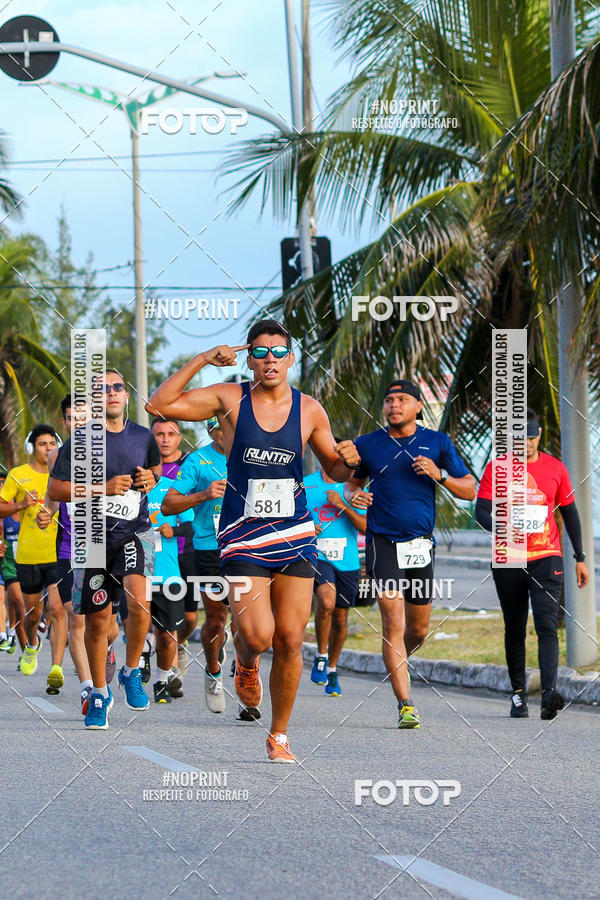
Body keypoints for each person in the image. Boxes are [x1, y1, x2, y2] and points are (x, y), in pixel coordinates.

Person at [147, 320, 360, 763]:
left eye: (279, 352)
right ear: (249, 358)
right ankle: (244, 662)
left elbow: (333, 470)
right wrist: (205, 358)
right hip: (243, 538)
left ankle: (279, 735)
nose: (270, 360)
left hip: (296, 535)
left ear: (291, 358)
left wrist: (352, 462)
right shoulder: (229, 398)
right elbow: (157, 403)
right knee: (258, 635)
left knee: (288, 637)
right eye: (260, 352)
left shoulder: (309, 409)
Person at [344, 380, 476, 728]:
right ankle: (406, 704)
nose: (393, 405)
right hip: (382, 541)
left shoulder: (437, 442)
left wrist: (440, 475)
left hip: (420, 545)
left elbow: (470, 489)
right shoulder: (369, 444)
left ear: (418, 406)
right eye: (388, 399)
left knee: (417, 630)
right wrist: (354, 496)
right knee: (393, 622)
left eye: (402, 399)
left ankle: (399, 661)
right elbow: (352, 483)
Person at [48, 369, 161, 729]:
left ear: (126, 395)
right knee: (97, 621)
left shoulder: (143, 436)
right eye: (102, 389)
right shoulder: (79, 441)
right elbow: (57, 491)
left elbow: (156, 471)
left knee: (139, 602)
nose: (110, 393)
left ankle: (130, 671)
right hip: (92, 538)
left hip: (134, 531)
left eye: (116, 387)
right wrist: (103, 487)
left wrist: (150, 479)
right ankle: (99, 693)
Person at [475, 408, 589, 720]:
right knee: (515, 627)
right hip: (508, 558)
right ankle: (518, 694)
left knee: (546, 624)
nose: (523, 443)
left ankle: (549, 693)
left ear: (538, 436)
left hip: (546, 557)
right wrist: (502, 526)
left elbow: (570, 514)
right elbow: (481, 511)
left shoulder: (555, 468)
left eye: (529, 437)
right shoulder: (497, 468)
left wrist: (580, 557)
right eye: (517, 438)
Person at [161, 416, 228, 713]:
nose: (226, 433)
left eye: (232, 426)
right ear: (210, 430)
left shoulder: (256, 454)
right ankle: (213, 671)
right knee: (215, 619)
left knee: (250, 622)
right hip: (209, 549)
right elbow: (169, 505)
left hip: (250, 548)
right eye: (219, 428)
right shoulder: (198, 461)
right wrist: (204, 494)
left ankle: (246, 673)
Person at [37, 395, 95, 712]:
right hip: (70, 547)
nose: (79, 423)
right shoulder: (58, 455)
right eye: (73, 418)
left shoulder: (110, 451)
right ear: (65, 422)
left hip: (106, 545)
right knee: (76, 616)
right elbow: (53, 496)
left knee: (106, 627)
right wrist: (47, 513)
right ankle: (89, 690)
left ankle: (106, 650)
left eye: (85, 417)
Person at [0, 425, 68, 691]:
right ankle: (31, 645)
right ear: (32, 447)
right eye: (42, 444)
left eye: (52, 443)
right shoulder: (18, 475)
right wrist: (21, 505)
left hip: (59, 553)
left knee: (56, 609)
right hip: (27, 556)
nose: (49, 448)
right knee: (31, 613)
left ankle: (56, 668)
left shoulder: (64, 475)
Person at [304, 465, 366, 696]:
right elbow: (290, 517)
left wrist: (341, 504)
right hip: (318, 556)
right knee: (327, 602)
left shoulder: (355, 488)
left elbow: (365, 526)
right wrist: (307, 528)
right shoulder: (305, 483)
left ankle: (332, 667)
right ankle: (320, 656)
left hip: (347, 561)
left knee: (341, 617)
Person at [149, 416, 195, 694]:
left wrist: (176, 529)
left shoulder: (190, 465)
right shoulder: (139, 471)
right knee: (145, 618)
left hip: (186, 551)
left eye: (171, 434)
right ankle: (160, 670)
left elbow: (194, 515)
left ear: (179, 437)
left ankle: (176, 646)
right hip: (150, 560)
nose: (164, 440)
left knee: (189, 619)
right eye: (159, 434)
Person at [0, 472, 23, 655]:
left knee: (20, 605)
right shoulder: (3, 515)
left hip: (27, 561)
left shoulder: (26, 510)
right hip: (7, 563)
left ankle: (14, 633)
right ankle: (4, 634)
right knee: (11, 599)